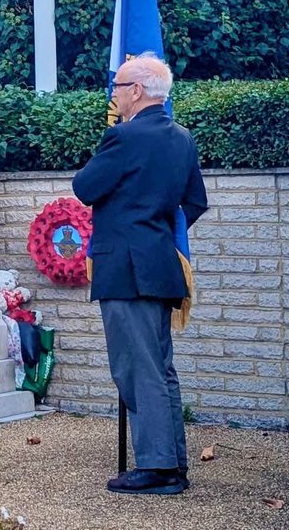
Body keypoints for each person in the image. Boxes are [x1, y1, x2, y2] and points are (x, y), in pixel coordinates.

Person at [72, 54, 208, 495]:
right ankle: (172, 461)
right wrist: (155, 230)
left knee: (137, 367)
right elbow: (195, 202)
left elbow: (85, 187)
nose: (113, 94)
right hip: (160, 264)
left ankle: (157, 466)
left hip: (125, 268)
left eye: (117, 86)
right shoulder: (182, 138)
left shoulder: (123, 136)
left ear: (136, 90)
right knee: (160, 367)